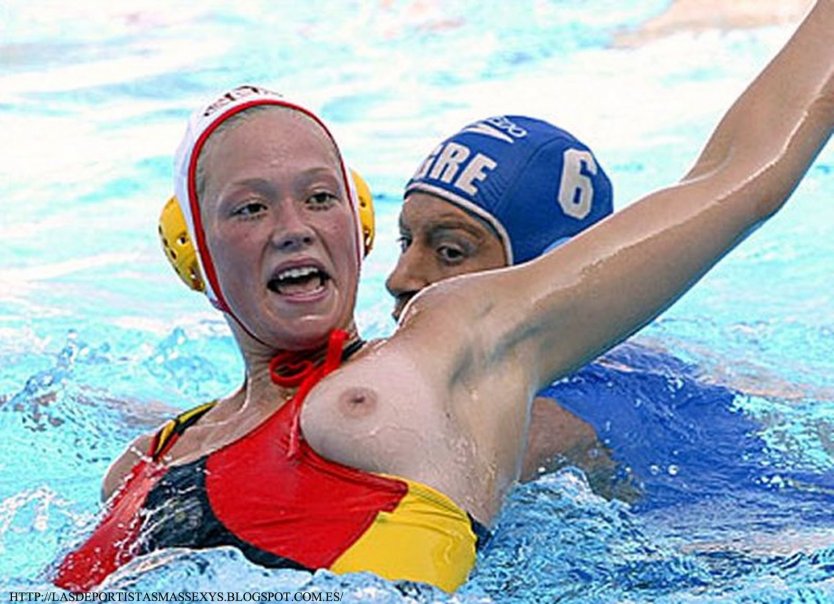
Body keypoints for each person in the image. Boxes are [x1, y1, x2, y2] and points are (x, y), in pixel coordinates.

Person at [54, 0, 833, 593]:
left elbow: (736, 176)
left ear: (354, 223)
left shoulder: (452, 350)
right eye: (251, 208)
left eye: (320, 197)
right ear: (194, 251)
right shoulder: (141, 465)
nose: (293, 228)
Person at [384, 114, 620, 485]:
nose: (398, 279)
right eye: (406, 241)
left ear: (549, 281)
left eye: (450, 252)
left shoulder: (537, 433)